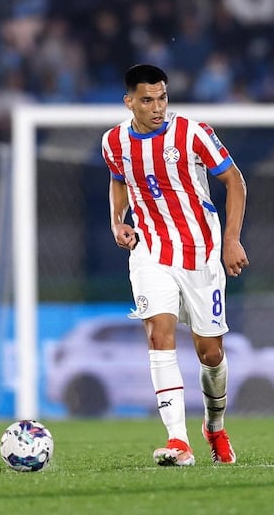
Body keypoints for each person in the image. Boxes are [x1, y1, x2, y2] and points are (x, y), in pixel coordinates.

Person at [101, 64, 249, 466]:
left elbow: (234, 180)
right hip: (150, 251)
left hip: (201, 252)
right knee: (158, 335)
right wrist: (118, 221)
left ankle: (213, 427)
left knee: (210, 353)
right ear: (129, 101)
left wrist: (231, 239)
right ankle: (178, 440)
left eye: (162, 97)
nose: (157, 107)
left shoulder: (193, 133)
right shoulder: (113, 141)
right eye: (147, 99)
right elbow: (119, 179)